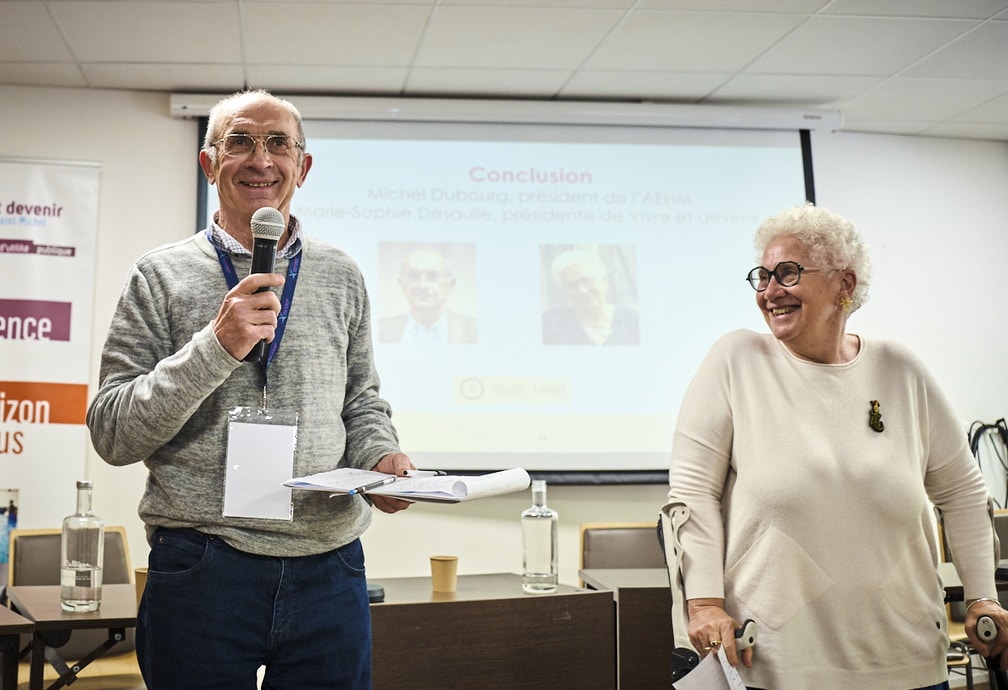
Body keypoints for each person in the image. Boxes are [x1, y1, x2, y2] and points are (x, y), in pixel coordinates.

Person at [86, 89, 417, 689]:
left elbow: (362, 400)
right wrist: (215, 346)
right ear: (210, 163)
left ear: (302, 167)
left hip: (330, 564)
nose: (260, 159)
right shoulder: (158, 275)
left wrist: (379, 456)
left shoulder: (341, 273)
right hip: (203, 565)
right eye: (239, 141)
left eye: (278, 144)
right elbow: (112, 430)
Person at [666, 203, 1008, 689]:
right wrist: (704, 602)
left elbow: (964, 494)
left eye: (787, 273)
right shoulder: (737, 361)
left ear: (844, 284)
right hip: (777, 663)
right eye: (761, 277)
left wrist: (982, 598)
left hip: (907, 659)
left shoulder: (900, 369)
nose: (770, 291)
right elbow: (691, 492)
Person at [378, 246, 477, 344]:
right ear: (401, 283)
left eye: (433, 276)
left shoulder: (475, 330)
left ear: (450, 284)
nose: (422, 285)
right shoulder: (378, 330)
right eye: (414, 276)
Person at [541, 247, 639, 345]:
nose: (582, 290)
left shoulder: (633, 321)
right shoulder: (550, 324)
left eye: (587, 280)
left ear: (605, 281)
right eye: (572, 285)